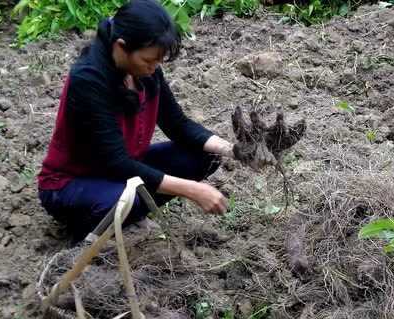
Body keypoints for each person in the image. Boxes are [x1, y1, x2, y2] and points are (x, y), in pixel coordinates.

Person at [37, 0, 266, 244]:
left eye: (158, 61)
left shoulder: (144, 72)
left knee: (205, 155)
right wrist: (192, 190)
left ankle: (127, 214)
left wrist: (235, 151)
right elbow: (117, 163)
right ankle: (92, 226)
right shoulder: (88, 82)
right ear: (121, 47)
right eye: (148, 60)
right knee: (124, 199)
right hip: (71, 183)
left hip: (123, 169)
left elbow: (178, 125)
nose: (154, 68)